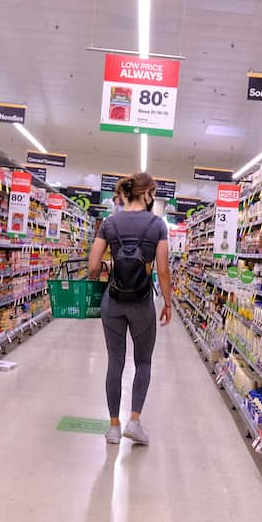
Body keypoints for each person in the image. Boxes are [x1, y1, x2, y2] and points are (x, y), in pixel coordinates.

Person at [86, 172, 173, 445]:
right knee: (143, 361)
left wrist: (110, 268)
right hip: (142, 303)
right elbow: (163, 270)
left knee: (115, 361)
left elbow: (91, 267)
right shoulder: (157, 225)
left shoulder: (109, 224)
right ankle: (134, 421)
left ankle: (113, 427)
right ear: (147, 194)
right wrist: (168, 302)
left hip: (113, 301)